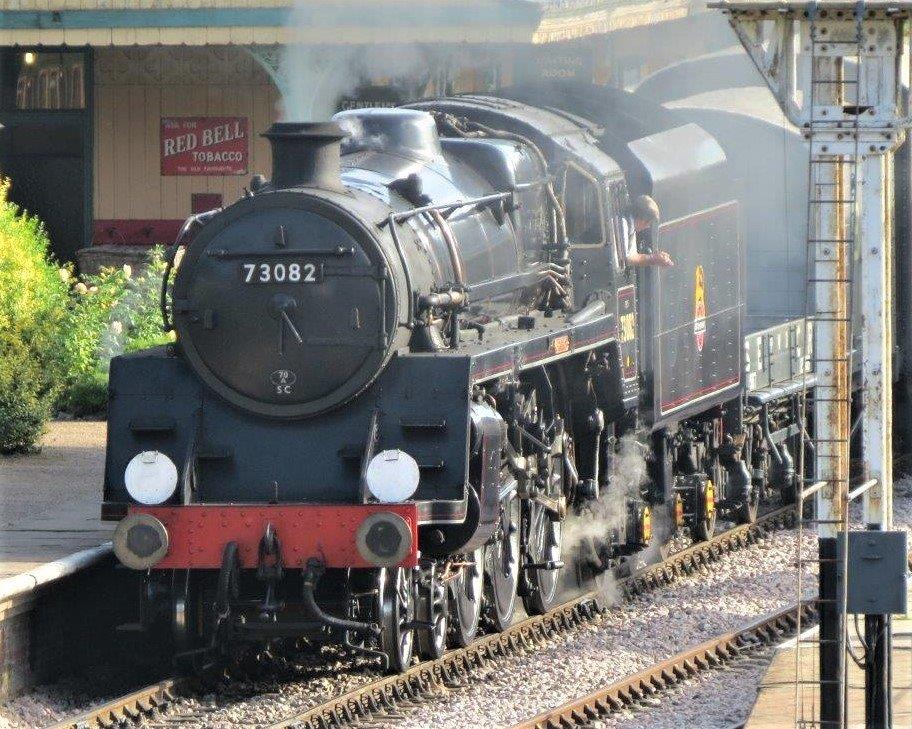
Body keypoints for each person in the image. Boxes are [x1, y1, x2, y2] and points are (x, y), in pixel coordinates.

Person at [621, 194, 673, 268]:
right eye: (649, 224)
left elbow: (633, 256)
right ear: (642, 220)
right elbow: (627, 259)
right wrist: (652, 258)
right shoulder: (623, 225)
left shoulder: (632, 227)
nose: (647, 227)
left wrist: (655, 257)